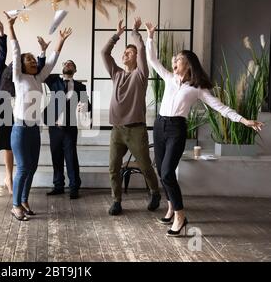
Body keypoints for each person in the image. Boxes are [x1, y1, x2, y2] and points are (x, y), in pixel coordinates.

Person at [144, 22, 264, 236]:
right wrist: (150, 37)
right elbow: (152, 60)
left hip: (176, 129)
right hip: (160, 125)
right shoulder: (169, 78)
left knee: (167, 172)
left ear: (188, 64)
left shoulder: (198, 88)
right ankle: (172, 207)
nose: (174, 61)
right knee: (162, 173)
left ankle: (180, 215)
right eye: (175, 59)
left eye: (178, 59)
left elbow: (220, 107)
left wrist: (244, 120)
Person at [5, 11, 73, 221]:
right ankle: (15, 205)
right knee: (23, 167)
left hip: (34, 129)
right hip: (20, 129)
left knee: (32, 168)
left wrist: (60, 42)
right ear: (22, 64)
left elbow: (50, 63)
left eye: (34, 59)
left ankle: (24, 201)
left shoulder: (37, 78)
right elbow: (16, 52)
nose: (33, 61)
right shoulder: (18, 77)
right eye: (30, 59)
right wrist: (10, 28)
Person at [0, 18, 48, 198]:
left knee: (9, 146)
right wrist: (2, 32)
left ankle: (8, 179)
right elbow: (5, 53)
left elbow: (33, 69)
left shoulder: (9, 71)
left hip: (9, 109)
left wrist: (41, 55)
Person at [101, 18, 162, 216]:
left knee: (145, 166)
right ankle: (116, 200)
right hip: (117, 130)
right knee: (113, 167)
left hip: (136, 129)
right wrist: (117, 35)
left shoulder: (141, 75)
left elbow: (142, 49)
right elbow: (104, 53)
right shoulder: (116, 74)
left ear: (136, 57)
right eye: (124, 52)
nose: (125, 54)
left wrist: (135, 32)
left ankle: (154, 192)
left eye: (129, 52)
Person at [43, 60, 91, 200]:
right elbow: (43, 70)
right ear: (62, 68)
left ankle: (74, 187)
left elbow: (87, 104)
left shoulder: (80, 86)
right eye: (65, 64)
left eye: (71, 64)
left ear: (75, 70)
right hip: (55, 127)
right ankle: (58, 186)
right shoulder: (54, 81)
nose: (67, 65)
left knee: (71, 158)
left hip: (70, 128)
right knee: (56, 157)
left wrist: (85, 106)